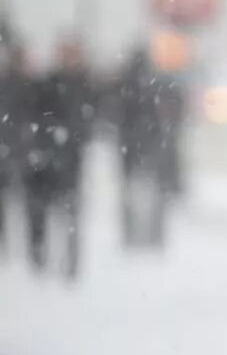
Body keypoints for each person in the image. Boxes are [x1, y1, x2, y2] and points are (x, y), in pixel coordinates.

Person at [26, 37, 95, 280]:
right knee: (42, 211)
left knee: (71, 214)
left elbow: (89, 120)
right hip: (49, 160)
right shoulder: (49, 84)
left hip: (71, 161)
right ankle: (40, 257)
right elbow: (39, 116)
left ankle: (71, 263)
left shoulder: (84, 84)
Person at [112, 43, 187, 249]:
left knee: (134, 197)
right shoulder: (157, 87)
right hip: (149, 151)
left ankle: (133, 236)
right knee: (152, 198)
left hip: (133, 151)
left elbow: (117, 117)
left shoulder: (125, 87)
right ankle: (152, 237)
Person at [0, 41, 32, 260]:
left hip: (20, 152)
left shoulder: (30, 86)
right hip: (13, 150)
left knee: (27, 203)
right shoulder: (14, 85)